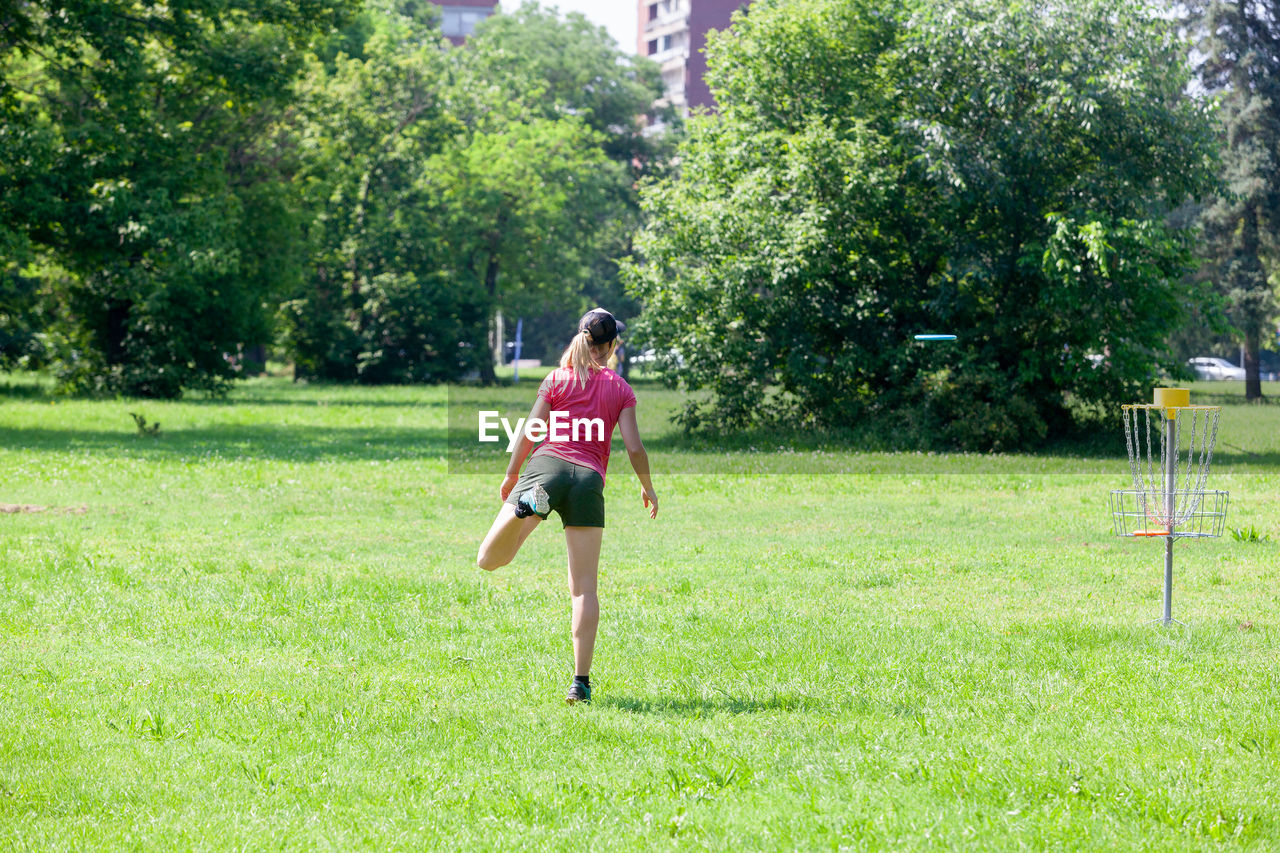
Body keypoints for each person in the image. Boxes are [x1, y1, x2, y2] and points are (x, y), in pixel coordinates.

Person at [476, 308, 659, 704]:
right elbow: (633, 446)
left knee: (489, 560)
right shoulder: (621, 388)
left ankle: (528, 505)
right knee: (583, 589)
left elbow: (531, 431)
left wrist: (511, 474)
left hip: (547, 468)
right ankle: (581, 682)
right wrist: (648, 487)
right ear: (610, 348)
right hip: (588, 481)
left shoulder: (556, 378)